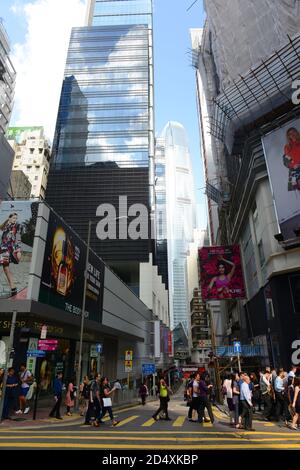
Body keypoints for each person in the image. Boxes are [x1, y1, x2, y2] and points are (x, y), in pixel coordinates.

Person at [0, 213, 22, 296]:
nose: (15, 219)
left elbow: (19, 237)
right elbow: (1, 228)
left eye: (16, 218)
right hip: (2, 248)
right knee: (5, 269)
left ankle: (13, 288)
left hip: (8, 249)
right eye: (13, 218)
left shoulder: (17, 226)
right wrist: (7, 220)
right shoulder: (6, 225)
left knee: (6, 267)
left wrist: (19, 250)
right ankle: (13, 288)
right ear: (9, 218)